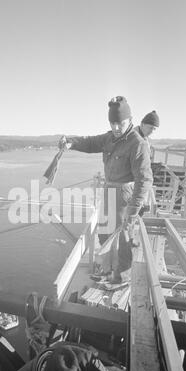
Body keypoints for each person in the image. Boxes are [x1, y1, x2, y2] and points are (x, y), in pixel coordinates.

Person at [59, 96, 153, 283]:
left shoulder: (138, 144)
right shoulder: (110, 137)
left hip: (125, 197)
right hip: (109, 191)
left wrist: (132, 213)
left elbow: (144, 180)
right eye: (112, 123)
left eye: (120, 123)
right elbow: (91, 142)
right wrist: (71, 142)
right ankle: (108, 268)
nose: (116, 128)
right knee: (104, 233)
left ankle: (122, 276)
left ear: (130, 120)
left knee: (122, 238)